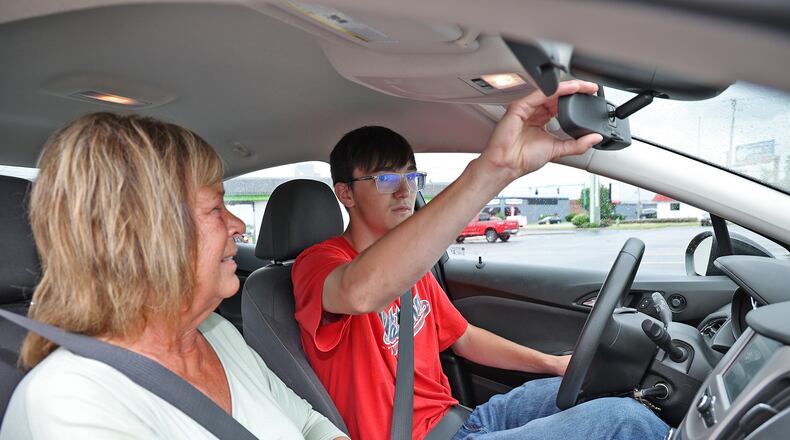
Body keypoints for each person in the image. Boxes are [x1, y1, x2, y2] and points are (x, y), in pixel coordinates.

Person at [291, 81, 670, 439]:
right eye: (386, 180)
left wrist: (553, 363)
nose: (405, 191)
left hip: (459, 420)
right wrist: (494, 168)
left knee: (603, 390)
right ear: (346, 194)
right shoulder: (318, 264)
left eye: (412, 177)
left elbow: (464, 337)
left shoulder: (413, 263)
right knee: (625, 423)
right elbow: (359, 292)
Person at [0, 113, 348, 440]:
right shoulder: (68, 401)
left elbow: (309, 423)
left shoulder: (219, 334)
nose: (239, 225)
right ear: (146, 235)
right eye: (215, 207)